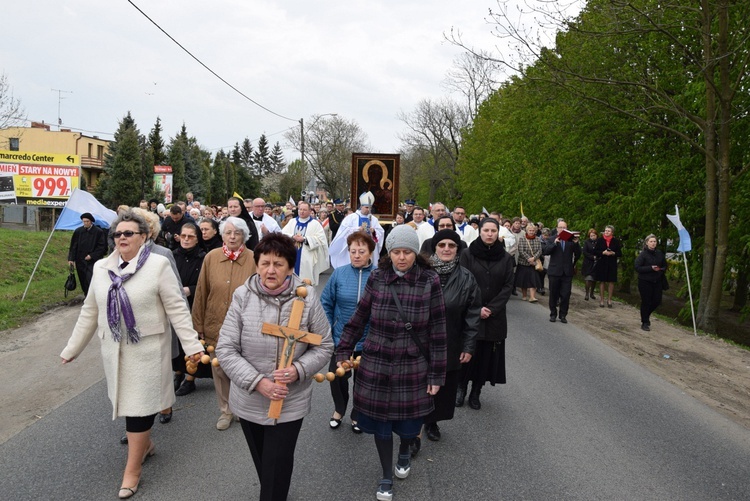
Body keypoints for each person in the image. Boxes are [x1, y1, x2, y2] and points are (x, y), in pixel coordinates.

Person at [60, 210, 204, 499]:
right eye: (117, 234)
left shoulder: (159, 265)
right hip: (114, 351)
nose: (121, 238)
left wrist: (192, 347)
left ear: (144, 236)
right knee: (128, 405)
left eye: (128, 233)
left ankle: (132, 469)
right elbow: (90, 311)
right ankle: (146, 446)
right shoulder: (102, 268)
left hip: (148, 350)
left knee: (139, 408)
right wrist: (72, 348)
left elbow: (177, 308)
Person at [216, 233, 333, 501]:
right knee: (263, 462)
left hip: (289, 399)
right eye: (265, 263)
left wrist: (299, 370)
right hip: (250, 397)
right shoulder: (243, 296)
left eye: (278, 264)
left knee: (277, 463)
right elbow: (225, 348)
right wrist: (258, 382)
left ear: (291, 267)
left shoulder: (306, 298)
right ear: (256, 264)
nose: (270, 270)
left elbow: (324, 345)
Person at [335, 225, 447, 501]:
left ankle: (406, 449)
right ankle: (386, 474)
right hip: (377, 362)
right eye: (396, 251)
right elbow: (359, 317)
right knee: (381, 425)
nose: (401, 257)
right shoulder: (377, 278)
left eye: (407, 252)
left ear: (415, 253)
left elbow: (439, 330)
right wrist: (343, 349)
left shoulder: (429, 280)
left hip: (413, 365)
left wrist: (436, 375)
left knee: (409, 425)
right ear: (389, 252)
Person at [191, 216, 257, 430]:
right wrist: (198, 325)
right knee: (219, 369)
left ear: (244, 236)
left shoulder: (254, 259)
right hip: (215, 323)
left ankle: (241, 407)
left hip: (244, 326)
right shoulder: (211, 258)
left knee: (242, 367)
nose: (232, 236)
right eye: (228, 232)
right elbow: (201, 291)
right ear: (222, 235)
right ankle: (226, 410)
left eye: (237, 233)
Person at [422, 229, 479, 443]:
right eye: (442, 245)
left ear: (457, 249)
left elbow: (473, 314)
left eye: (451, 246)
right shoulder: (421, 272)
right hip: (421, 339)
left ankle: (432, 421)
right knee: (417, 382)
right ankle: (412, 427)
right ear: (434, 247)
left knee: (442, 385)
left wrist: (468, 345)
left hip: (451, 338)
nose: (446, 249)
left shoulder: (466, 278)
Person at [320, 232, 376, 433]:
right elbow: (326, 302)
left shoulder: (378, 276)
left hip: (368, 341)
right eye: (353, 251)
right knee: (337, 378)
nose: (357, 255)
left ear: (370, 252)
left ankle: (357, 415)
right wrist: (329, 327)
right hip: (341, 338)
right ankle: (339, 410)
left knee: (363, 383)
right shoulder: (339, 273)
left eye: (362, 251)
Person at [457, 218, 515, 410]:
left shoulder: (506, 258)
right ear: (479, 232)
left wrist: (491, 308)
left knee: (485, 357)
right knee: (467, 351)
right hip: (470, 312)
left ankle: (476, 391)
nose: (490, 234)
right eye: (486, 230)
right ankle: (461, 387)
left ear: (498, 233)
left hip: (494, 317)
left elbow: (508, 286)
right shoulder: (467, 254)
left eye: (493, 231)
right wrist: (477, 307)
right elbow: (463, 281)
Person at [172, 222, 211, 397]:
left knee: (192, 341)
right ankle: (178, 372)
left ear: (197, 239)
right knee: (176, 341)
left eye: (190, 236)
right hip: (175, 304)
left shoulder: (204, 258)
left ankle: (190, 378)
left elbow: (209, 284)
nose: (186, 240)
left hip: (195, 304)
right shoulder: (172, 256)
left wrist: (192, 290)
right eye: (183, 236)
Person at [329, 193, 385, 268]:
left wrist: (374, 232)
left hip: (368, 247)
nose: (368, 210)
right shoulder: (351, 218)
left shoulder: (373, 219)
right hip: (354, 247)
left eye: (370, 208)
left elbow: (380, 233)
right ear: (361, 206)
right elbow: (343, 232)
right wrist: (357, 229)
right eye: (366, 207)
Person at [280, 201, 329, 286]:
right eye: (300, 209)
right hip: (292, 254)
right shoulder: (292, 222)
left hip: (307, 257)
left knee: (306, 284)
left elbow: (321, 241)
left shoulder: (315, 224)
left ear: (310, 211)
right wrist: (292, 237)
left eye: (304, 210)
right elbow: (282, 234)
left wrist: (305, 239)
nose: (302, 211)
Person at [542, 220, 581, 323]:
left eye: (564, 228)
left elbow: (578, 254)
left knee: (566, 294)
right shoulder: (551, 239)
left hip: (567, 272)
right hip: (555, 271)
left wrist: (576, 244)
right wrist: (554, 244)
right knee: (553, 294)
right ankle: (553, 314)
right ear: (557, 228)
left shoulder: (571, 240)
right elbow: (546, 251)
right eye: (561, 227)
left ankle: (563, 315)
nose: (562, 229)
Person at [67, 212, 107, 296]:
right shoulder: (78, 231)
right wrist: (71, 258)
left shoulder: (98, 232)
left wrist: (92, 255)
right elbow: (73, 246)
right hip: (80, 260)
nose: (85, 223)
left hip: (93, 261)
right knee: (82, 278)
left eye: (87, 221)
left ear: (91, 221)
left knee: (91, 278)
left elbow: (101, 246)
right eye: (84, 221)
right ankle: (86, 295)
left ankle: (93, 295)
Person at [634, 234, 667, 331]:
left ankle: (646, 315)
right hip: (645, 281)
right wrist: (650, 268)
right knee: (646, 301)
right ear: (647, 243)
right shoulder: (643, 255)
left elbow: (665, 265)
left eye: (655, 241)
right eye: (651, 241)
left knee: (657, 301)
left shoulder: (659, 253)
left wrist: (661, 269)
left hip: (657, 280)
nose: (653, 243)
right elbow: (637, 267)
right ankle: (644, 322)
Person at [594, 225, 623, 308]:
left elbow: (620, 253)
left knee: (611, 281)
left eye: (608, 231)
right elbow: (595, 251)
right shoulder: (600, 240)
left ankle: (609, 299)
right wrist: (603, 252)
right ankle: (602, 300)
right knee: (602, 281)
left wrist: (613, 253)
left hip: (612, 263)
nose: (606, 232)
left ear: (612, 233)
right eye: (605, 230)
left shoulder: (616, 241)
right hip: (602, 262)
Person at [515, 223, 542, 302]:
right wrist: (528, 259)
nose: (531, 232)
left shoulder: (537, 239)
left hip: (534, 264)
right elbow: (521, 250)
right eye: (530, 230)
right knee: (524, 281)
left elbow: (540, 250)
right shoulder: (522, 239)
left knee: (533, 280)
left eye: (533, 230)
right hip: (523, 263)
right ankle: (524, 295)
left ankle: (532, 297)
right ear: (527, 230)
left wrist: (533, 258)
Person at [581, 228, 599, 301]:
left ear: (596, 235)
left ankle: (592, 293)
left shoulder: (599, 242)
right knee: (588, 278)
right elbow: (584, 252)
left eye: (594, 235)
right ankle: (587, 293)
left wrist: (597, 256)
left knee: (594, 279)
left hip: (597, 262)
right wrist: (592, 257)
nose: (592, 237)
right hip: (588, 262)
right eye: (591, 236)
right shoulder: (586, 242)